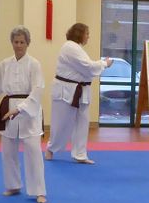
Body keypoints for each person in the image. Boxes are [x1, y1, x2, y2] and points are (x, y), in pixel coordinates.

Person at [0, 25, 47, 203]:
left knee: (33, 150)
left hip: (28, 110)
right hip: (8, 108)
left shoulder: (34, 64)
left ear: (28, 43)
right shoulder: (4, 64)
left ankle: (38, 190)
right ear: (12, 43)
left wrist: (20, 108)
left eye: (22, 42)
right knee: (8, 150)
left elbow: (38, 90)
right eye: (16, 42)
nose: (18, 45)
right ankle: (13, 185)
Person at [45, 22, 111, 164]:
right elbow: (88, 67)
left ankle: (80, 154)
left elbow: (86, 69)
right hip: (66, 90)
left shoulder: (77, 48)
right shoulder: (70, 47)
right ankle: (50, 148)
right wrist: (104, 63)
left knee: (82, 123)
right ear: (79, 34)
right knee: (61, 122)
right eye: (87, 33)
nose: (88, 37)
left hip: (81, 90)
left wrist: (100, 64)